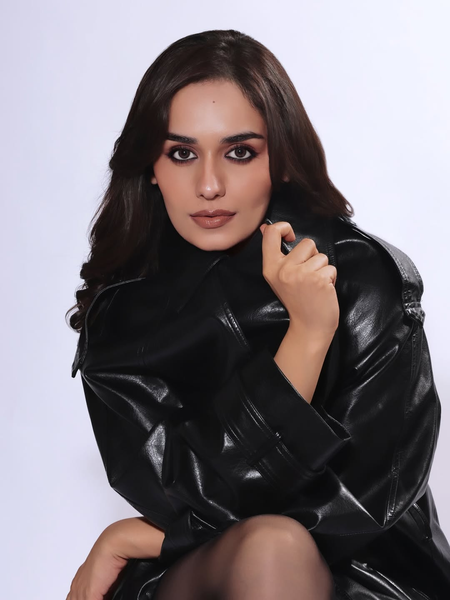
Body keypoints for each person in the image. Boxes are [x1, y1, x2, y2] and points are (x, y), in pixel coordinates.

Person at [66, 29, 450, 600]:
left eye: (240, 152)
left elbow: (365, 501)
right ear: (150, 165)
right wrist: (306, 340)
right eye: (182, 153)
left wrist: (142, 537)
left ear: (282, 159)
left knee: (275, 546)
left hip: (368, 579)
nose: (210, 185)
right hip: (202, 578)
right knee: (270, 545)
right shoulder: (122, 315)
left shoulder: (362, 277)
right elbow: (171, 490)